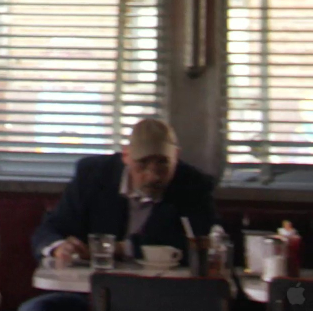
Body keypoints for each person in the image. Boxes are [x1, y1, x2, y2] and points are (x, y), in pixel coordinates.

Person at [18, 118, 216, 311]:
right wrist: (59, 247)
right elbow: (50, 229)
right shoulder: (93, 175)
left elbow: (199, 245)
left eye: (162, 163)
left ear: (176, 156)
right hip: (89, 293)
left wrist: (120, 248)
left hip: (161, 298)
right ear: (126, 155)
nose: (153, 175)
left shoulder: (193, 185)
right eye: (142, 164)